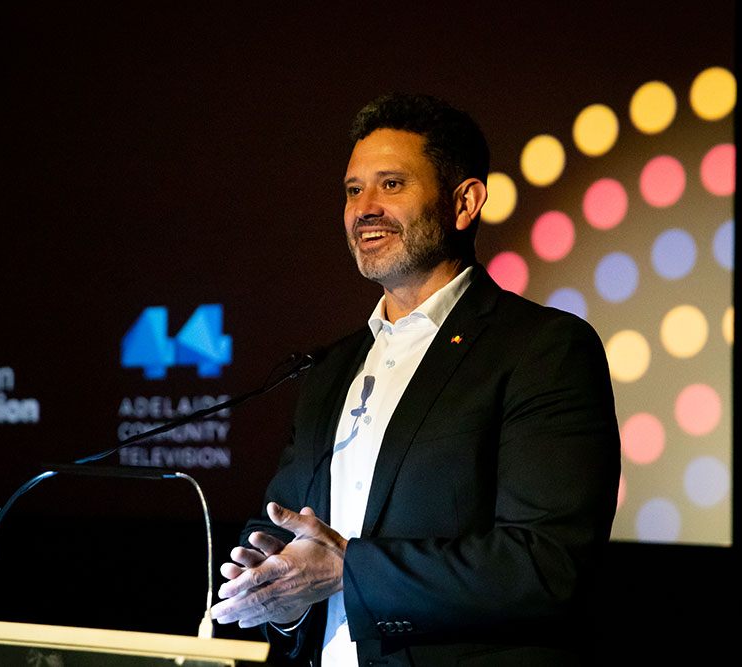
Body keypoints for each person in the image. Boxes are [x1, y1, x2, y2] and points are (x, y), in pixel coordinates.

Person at [210, 93, 620, 666]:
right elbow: (282, 524)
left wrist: (349, 572)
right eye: (354, 190)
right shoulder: (329, 368)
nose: (364, 208)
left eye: (392, 185)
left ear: (464, 202)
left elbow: (545, 565)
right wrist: (273, 590)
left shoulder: (543, 350)